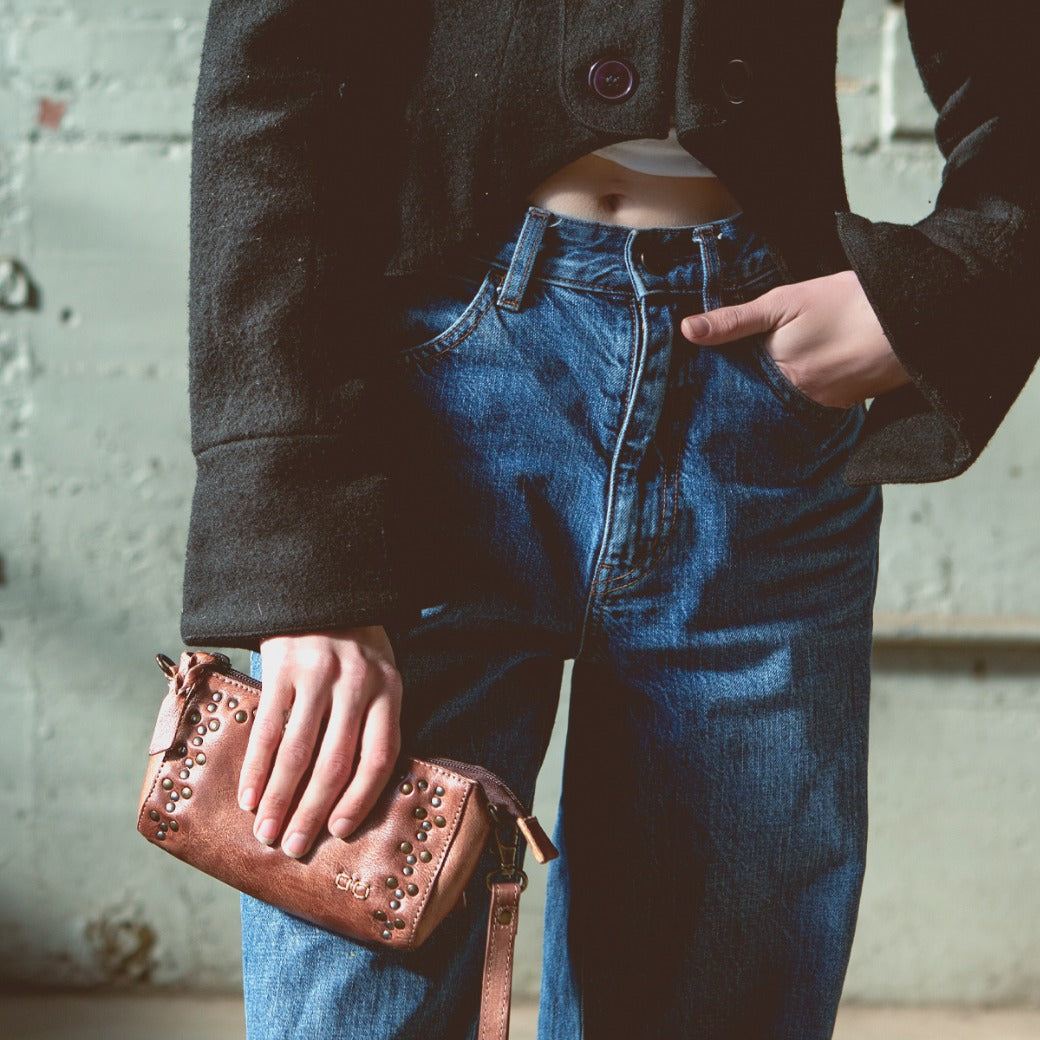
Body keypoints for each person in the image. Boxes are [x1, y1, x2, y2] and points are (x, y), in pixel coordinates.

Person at [180, 2, 1037, 1038]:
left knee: (716, 1010)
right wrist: (300, 556)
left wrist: (956, 276)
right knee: (349, 1005)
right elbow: (276, 78)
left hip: (754, 411)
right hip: (413, 425)